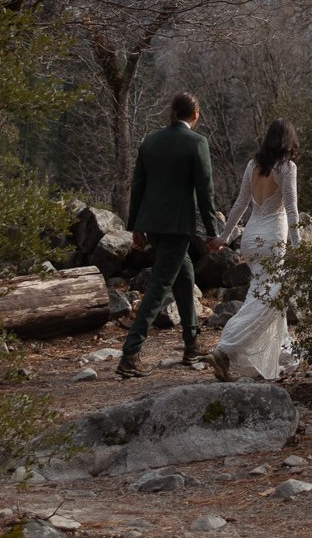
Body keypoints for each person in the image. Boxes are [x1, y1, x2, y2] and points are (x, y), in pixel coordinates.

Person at [118, 91, 223, 377]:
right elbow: (205, 191)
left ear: (172, 113)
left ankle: (192, 343)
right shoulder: (197, 143)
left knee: (184, 275)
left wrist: (136, 227)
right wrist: (213, 232)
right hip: (178, 225)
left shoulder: (150, 141)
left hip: (153, 224)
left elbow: (137, 186)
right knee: (158, 287)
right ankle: (130, 354)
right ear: (196, 114)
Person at [210, 119, 300, 381]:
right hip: (273, 238)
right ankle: (226, 347)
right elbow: (292, 210)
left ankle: (281, 353)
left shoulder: (253, 165)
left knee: (268, 294)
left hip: (251, 237)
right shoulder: (286, 167)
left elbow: (239, 204)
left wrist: (224, 237)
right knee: (267, 298)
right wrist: (299, 246)